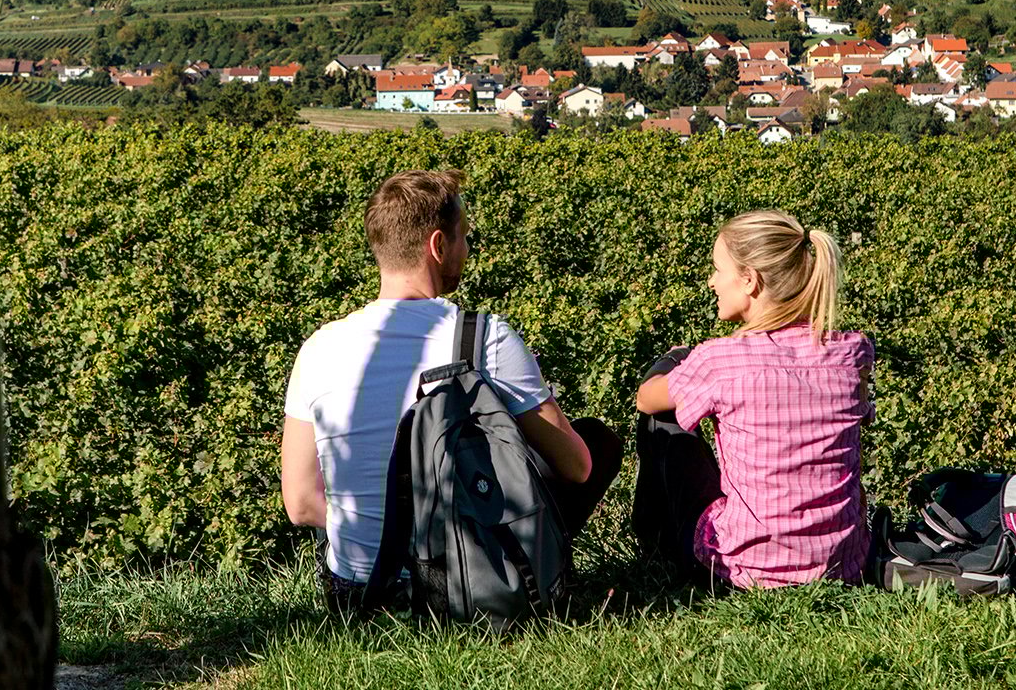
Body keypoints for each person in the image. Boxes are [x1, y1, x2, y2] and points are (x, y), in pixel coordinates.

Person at [280, 168, 624, 612]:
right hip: (461, 593)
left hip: (356, 595)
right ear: (437, 246)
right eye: (463, 236)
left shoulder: (318, 347)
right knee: (596, 440)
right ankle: (521, 578)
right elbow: (576, 467)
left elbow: (301, 503)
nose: (468, 248)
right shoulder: (483, 337)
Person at [631, 209, 873, 589]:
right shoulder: (851, 353)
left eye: (718, 270)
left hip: (746, 570)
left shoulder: (719, 359)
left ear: (749, 280)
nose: (712, 282)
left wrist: (677, 359)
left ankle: (653, 545)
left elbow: (646, 399)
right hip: (842, 565)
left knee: (663, 417)